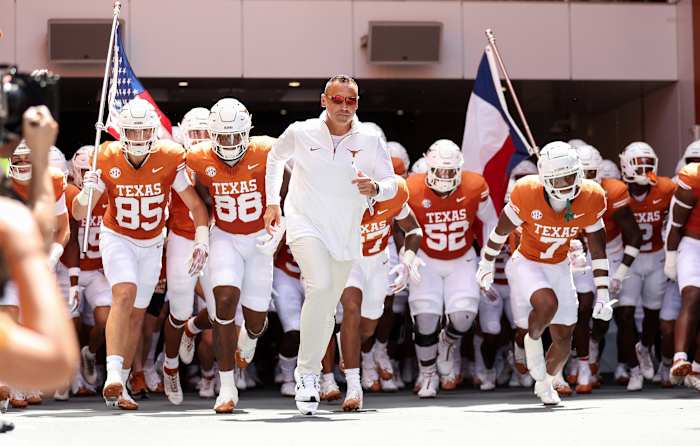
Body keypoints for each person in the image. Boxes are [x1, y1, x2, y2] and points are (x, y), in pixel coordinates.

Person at [264, 74, 398, 415]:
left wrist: (376, 189)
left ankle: (312, 370)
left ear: (357, 104)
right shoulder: (301, 130)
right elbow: (274, 158)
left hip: (345, 233)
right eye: (337, 99)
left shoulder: (369, 138)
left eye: (350, 100)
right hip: (303, 222)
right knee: (320, 286)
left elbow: (391, 182)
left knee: (325, 305)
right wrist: (272, 203)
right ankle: (307, 374)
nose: (343, 106)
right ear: (324, 100)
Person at [72, 98, 210, 410]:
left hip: (152, 242)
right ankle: (113, 376)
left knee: (136, 313)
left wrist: (201, 238)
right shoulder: (104, 157)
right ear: (121, 132)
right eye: (131, 132)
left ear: (154, 131)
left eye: (143, 131)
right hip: (117, 236)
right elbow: (80, 212)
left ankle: (121, 383)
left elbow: (197, 207)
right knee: (123, 294)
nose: (136, 139)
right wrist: (85, 192)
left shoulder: (169, 156)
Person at [476, 141, 614, 405]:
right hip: (526, 262)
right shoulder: (527, 191)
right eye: (557, 178)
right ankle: (531, 341)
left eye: (570, 176)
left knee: (564, 337)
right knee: (547, 304)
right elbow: (500, 232)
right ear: (544, 178)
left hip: (559, 265)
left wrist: (604, 294)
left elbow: (598, 250)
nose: (564, 184)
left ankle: (546, 382)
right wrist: (486, 263)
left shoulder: (592, 196)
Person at [187, 98, 285, 413]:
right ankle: (227, 387)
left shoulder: (268, 151)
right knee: (224, 303)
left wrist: (281, 232)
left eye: (235, 136)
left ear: (248, 131)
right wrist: (205, 233)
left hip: (259, 239)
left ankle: (252, 336)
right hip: (226, 235)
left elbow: (293, 196)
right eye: (222, 137)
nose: (229, 144)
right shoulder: (199, 157)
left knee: (256, 322)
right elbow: (202, 195)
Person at [406, 139, 496, 397]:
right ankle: (427, 376)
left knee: (464, 317)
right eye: (440, 171)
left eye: (450, 171)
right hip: (427, 258)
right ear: (428, 169)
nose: (445, 177)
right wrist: (407, 254)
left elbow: (490, 220)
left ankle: (448, 341)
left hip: (461, 258)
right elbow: (401, 225)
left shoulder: (474, 184)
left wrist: (487, 260)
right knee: (424, 320)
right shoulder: (412, 187)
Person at [339, 173, 422, 410]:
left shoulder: (392, 193)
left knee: (367, 328)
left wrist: (407, 259)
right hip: (348, 260)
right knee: (351, 311)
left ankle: (346, 341)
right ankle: (354, 387)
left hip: (377, 261)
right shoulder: (336, 198)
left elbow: (413, 230)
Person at [569, 144, 641, 393]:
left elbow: (634, 236)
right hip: (582, 253)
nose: (586, 179)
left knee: (604, 313)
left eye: (591, 173)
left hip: (610, 253)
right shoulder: (563, 190)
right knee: (583, 306)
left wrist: (620, 272)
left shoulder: (614, 191)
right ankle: (584, 366)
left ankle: (593, 344)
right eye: (582, 173)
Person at [616, 142, 674, 390]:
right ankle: (634, 368)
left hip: (656, 256)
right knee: (625, 313)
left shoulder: (666, 188)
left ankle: (646, 347)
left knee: (652, 314)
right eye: (638, 164)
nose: (644, 169)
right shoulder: (618, 191)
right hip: (628, 259)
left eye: (648, 164)